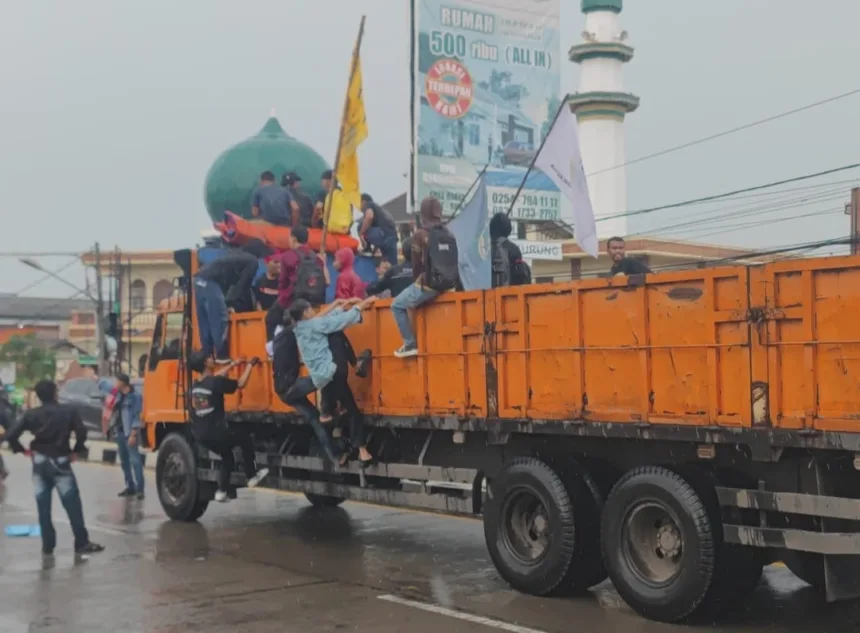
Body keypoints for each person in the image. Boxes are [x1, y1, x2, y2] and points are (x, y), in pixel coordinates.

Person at [4, 380, 104, 557]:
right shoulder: (68, 411)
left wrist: (21, 449)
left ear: (38, 396)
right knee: (72, 504)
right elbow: (82, 432)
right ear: (55, 393)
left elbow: (11, 434)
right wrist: (77, 450)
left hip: (40, 461)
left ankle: (48, 545)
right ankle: (81, 542)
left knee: (43, 506)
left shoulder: (31, 414)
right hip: (61, 461)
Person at [287, 297, 377, 466]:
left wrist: (336, 305)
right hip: (331, 374)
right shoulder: (316, 325)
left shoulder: (299, 328)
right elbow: (340, 321)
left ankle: (328, 412)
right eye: (310, 309)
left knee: (341, 408)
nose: (313, 310)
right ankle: (362, 451)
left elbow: (319, 319)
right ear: (306, 312)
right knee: (353, 412)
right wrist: (364, 304)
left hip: (319, 377)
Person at [188, 351, 269, 502]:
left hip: (201, 435)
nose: (214, 359)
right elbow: (240, 383)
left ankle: (221, 491)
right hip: (216, 431)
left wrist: (232, 364)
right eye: (210, 357)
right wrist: (250, 366)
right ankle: (251, 476)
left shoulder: (195, 386)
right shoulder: (214, 382)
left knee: (227, 456)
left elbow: (215, 378)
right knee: (244, 438)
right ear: (206, 363)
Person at [392, 196, 459, 358]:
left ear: (422, 213)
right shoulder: (449, 233)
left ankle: (410, 344)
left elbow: (416, 265)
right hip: (449, 283)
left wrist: (416, 284)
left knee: (396, 305)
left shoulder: (420, 234)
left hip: (429, 285)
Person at [193, 248, 259, 361]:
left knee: (204, 319)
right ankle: (221, 355)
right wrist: (230, 304)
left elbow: (227, 283)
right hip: (210, 280)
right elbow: (242, 285)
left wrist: (228, 302)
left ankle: (207, 353)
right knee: (219, 316)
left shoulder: (234, 257)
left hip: (198, 279)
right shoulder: (253, 262)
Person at [109, 374, 145, 500]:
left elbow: (137, 416)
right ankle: (130, 486)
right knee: (124, 461)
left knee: (135, 460)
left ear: (124, 383)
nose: (115, 383)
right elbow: (107, 388)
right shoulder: (119, 395)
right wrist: (96, 379)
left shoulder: (135, 397)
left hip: (129, 433)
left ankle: (140, 489)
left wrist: (133, 434)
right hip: (119, 431)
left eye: (117, 381)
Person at [489, 212, 532, 288]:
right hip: (508, 296)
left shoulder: (483, 251)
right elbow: (520, 279)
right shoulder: (513, 249)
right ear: (508, 229)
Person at [359, 193, 399, 265]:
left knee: (361, 226)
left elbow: (369, 216)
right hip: (392, 238)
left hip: (383, 236)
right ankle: (370, 250)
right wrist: (374, 252)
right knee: (392, 266)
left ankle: (367, 249)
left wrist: (361, 233)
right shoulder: (381, 210)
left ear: (363, 201)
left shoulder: (368, 204)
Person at [312, 169, 352, 234]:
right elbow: (350, 213)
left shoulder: (324, 193)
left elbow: (318, 208)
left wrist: (313, 223)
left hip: (327, 230)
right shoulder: (344, 194)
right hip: (344, 230)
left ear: (328, 181)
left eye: (322, 181)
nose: (322, 184)